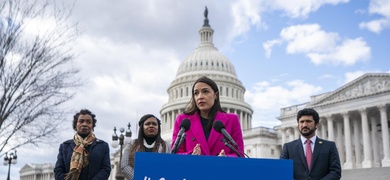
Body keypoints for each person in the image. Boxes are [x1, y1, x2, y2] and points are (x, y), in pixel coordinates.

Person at [171, 76, 244, 156]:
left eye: (205, 91)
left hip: (221, 168)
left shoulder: (232, 120)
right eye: (196, 93)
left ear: (216, 95)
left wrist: (225, 158)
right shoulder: (183, 121)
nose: (200, 97)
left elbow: (239, 154)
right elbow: (175, 153)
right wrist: (191, 156)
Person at [280, 108, 341, 180]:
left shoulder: (329, 146)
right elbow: (283, 171)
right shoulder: (288, 147)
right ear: (298, 124)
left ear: (317, 124)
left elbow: (335, 172)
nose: (304, 124)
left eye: (308, 121)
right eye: (301, 122)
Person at [54, 109, 111, 180]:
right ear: (75, 125)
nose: (84, 124)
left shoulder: (102, 146)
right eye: (81, 121)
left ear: (92, 126)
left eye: (88, 122)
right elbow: (58, 170)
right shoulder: (65, 146)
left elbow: (105, 169)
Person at [121, 114, 170, 180]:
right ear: (142, 127)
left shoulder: (167, 146)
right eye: (147, 124)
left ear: (158, 127)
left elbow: (169, 167)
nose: (151, 126)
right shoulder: (131, 144)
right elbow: (125, 166)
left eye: (154, 124)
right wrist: (139, 178)